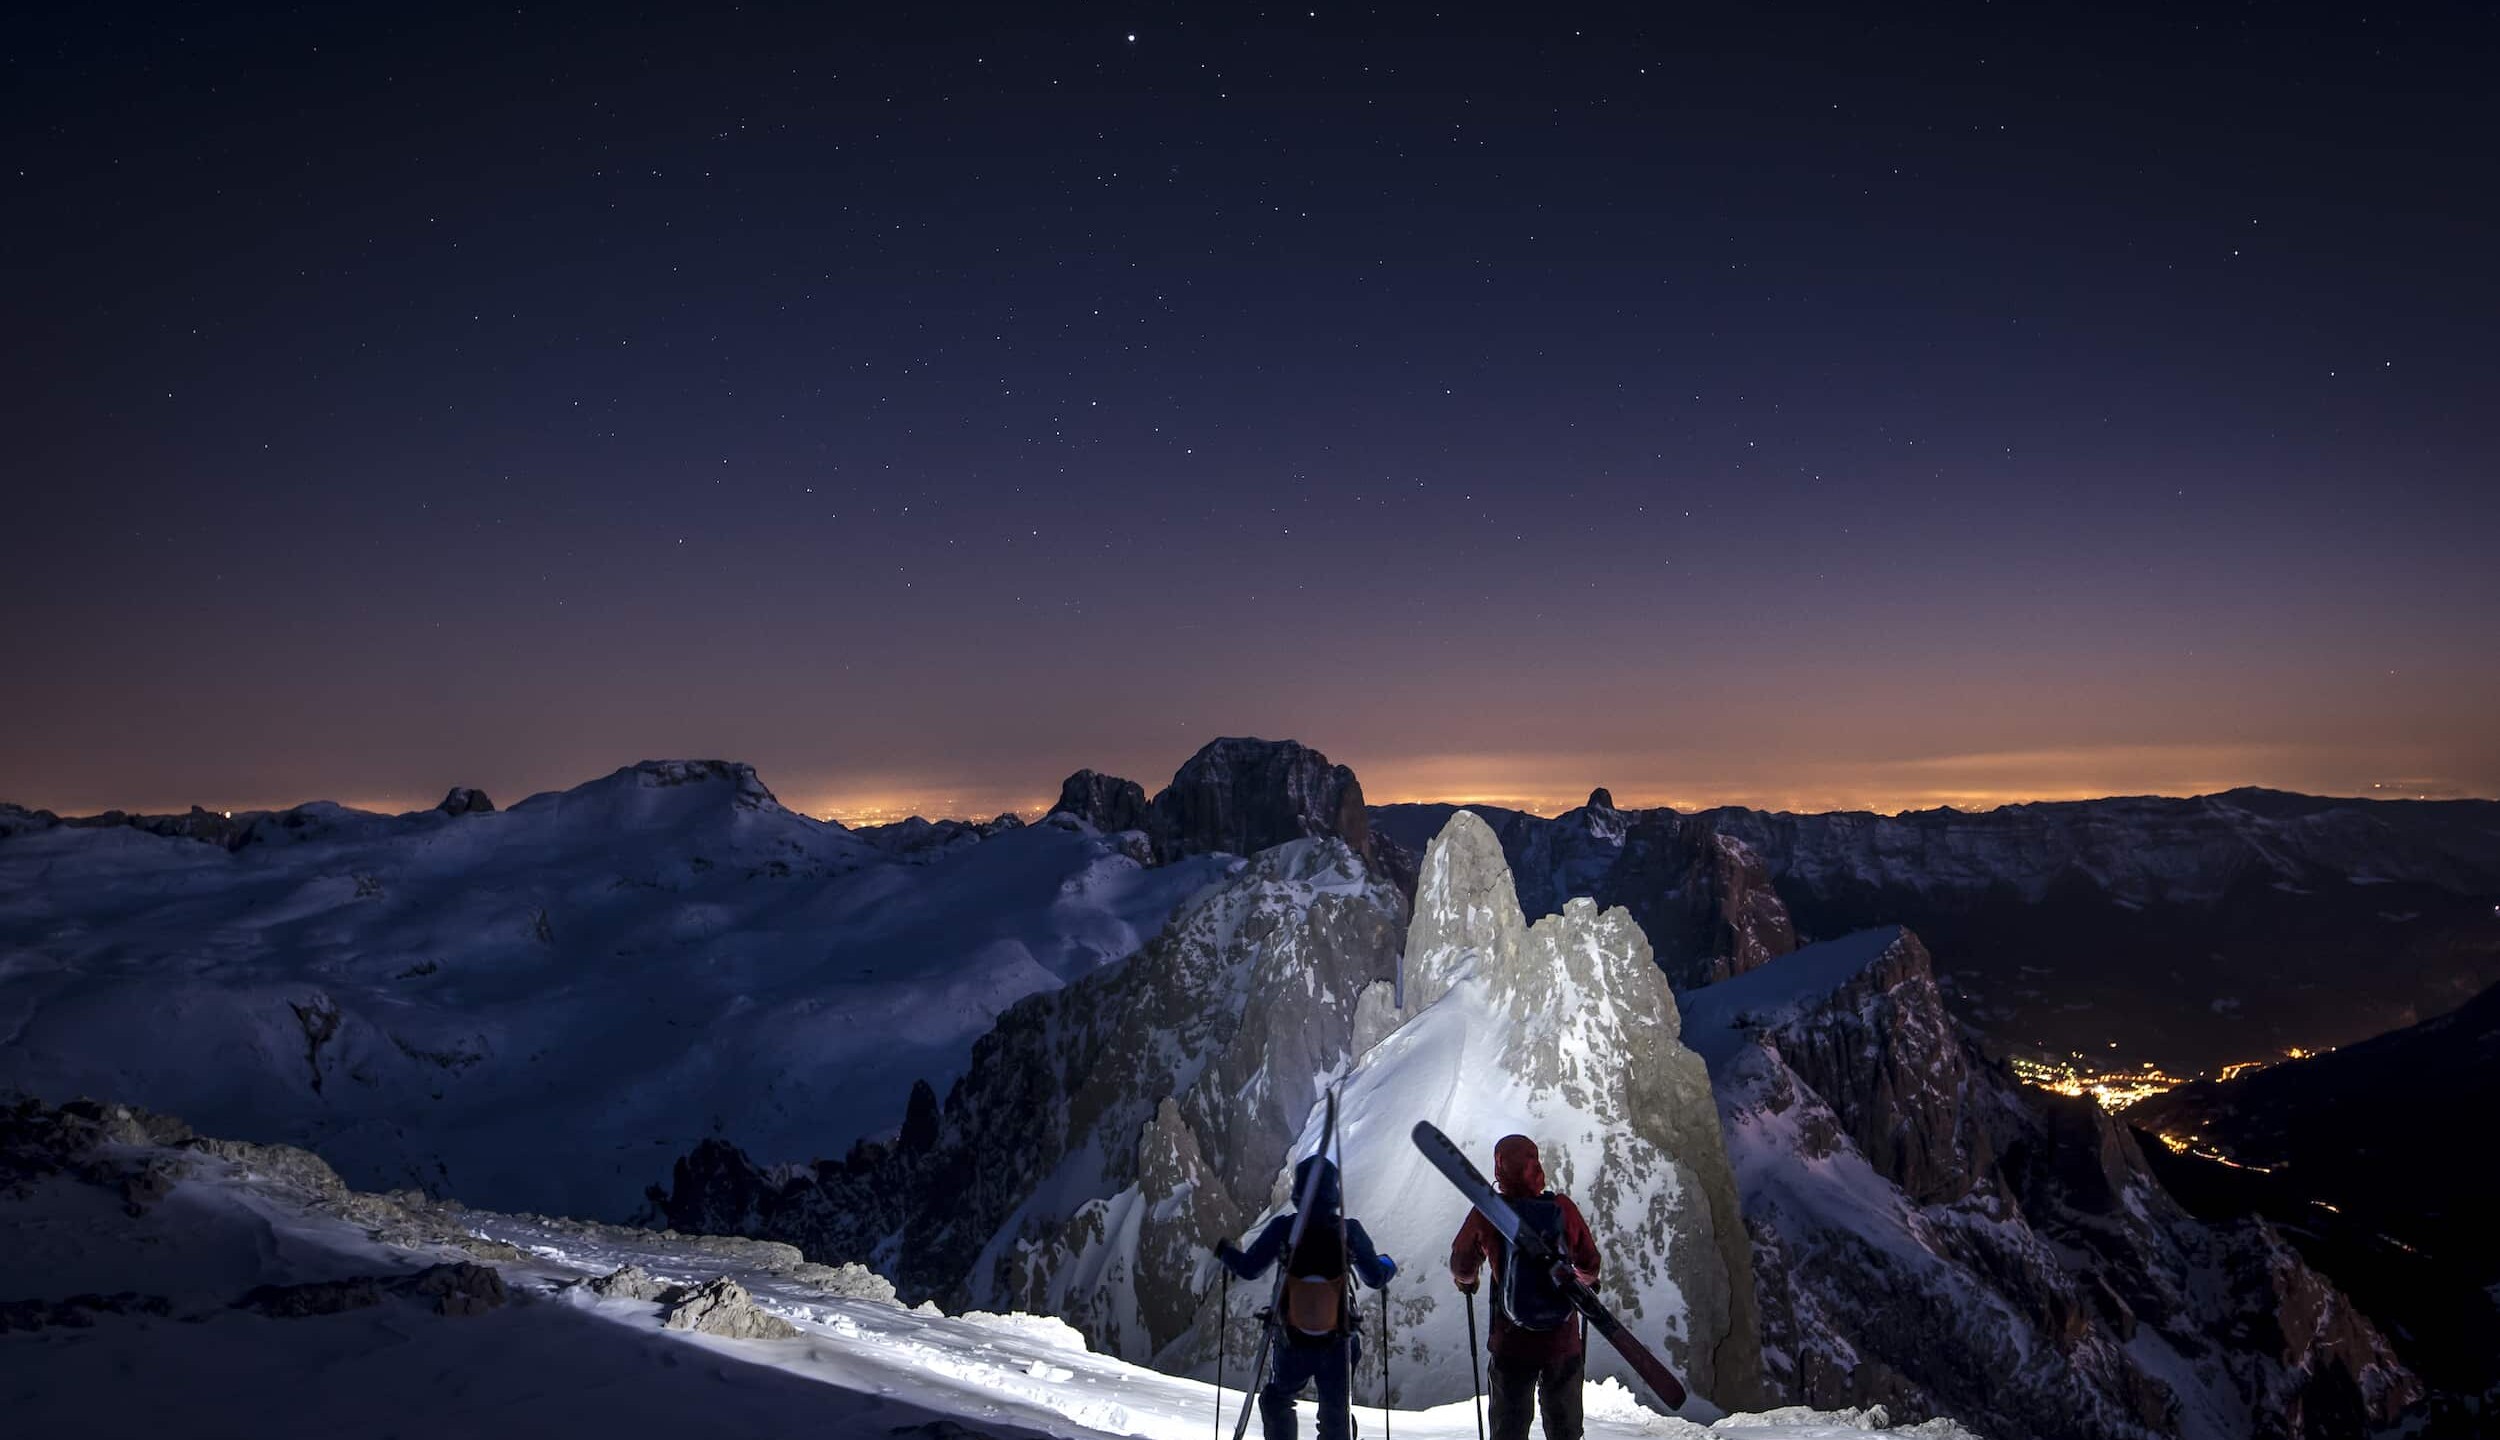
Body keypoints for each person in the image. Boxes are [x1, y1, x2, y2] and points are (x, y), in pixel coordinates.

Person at [1215, 1153, 1397, 1440]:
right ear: (1333, 1193)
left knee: (1278, 1399)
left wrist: (1224, 1251)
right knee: (1335, 1413)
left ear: (1298, 1192)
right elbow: (1375, 1277)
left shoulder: (1284, 1229)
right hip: (1339, 1342)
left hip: (1292, 1339)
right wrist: (1388, 1264)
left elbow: (1249, 1269)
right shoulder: (1348, 1231)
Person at [1447, 1134, 1601, 1440]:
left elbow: (1462, 1265)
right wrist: (1586, 1282)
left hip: (1511, 1342)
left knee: (1509, 1429)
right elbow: (1589, 1263)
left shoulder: (1488, 1212)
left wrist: (1469, 1281)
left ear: (1499, 1169)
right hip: (1563, 1340)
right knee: (1565, 1430)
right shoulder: (1562, 1209)